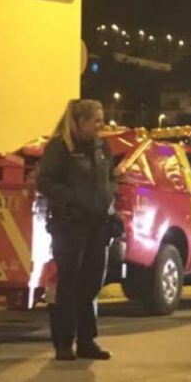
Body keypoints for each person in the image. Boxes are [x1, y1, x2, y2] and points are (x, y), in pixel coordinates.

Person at [37, 99, 117, 362]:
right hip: (70, 226)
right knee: (68, 285)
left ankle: (87, 340)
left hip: (98, 226)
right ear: (80, 122)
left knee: (91, 284)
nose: (101, 125)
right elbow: (46, 181)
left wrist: (110, 201)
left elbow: (110, 179)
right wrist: (73, 199)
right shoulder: (61, 148)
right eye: (96, 120)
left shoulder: (101, 147)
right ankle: (63, 343)